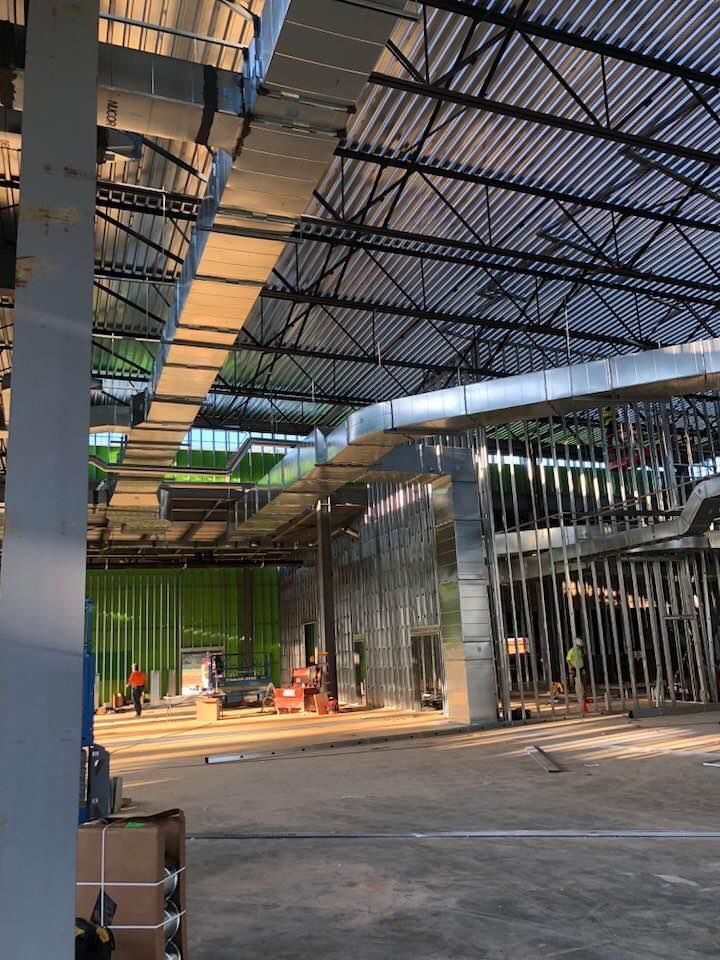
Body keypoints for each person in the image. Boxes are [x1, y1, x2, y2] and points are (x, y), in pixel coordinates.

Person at [566, 639, 585, 708]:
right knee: (578, 683)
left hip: (580, 668)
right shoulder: (571, 651)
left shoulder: (579, 651)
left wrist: (583, 668)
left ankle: (582, 697)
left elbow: (581, 659)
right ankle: (580, 698)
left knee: (582, 683)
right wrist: (571, 667)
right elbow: (568, 660)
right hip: (575, 668)